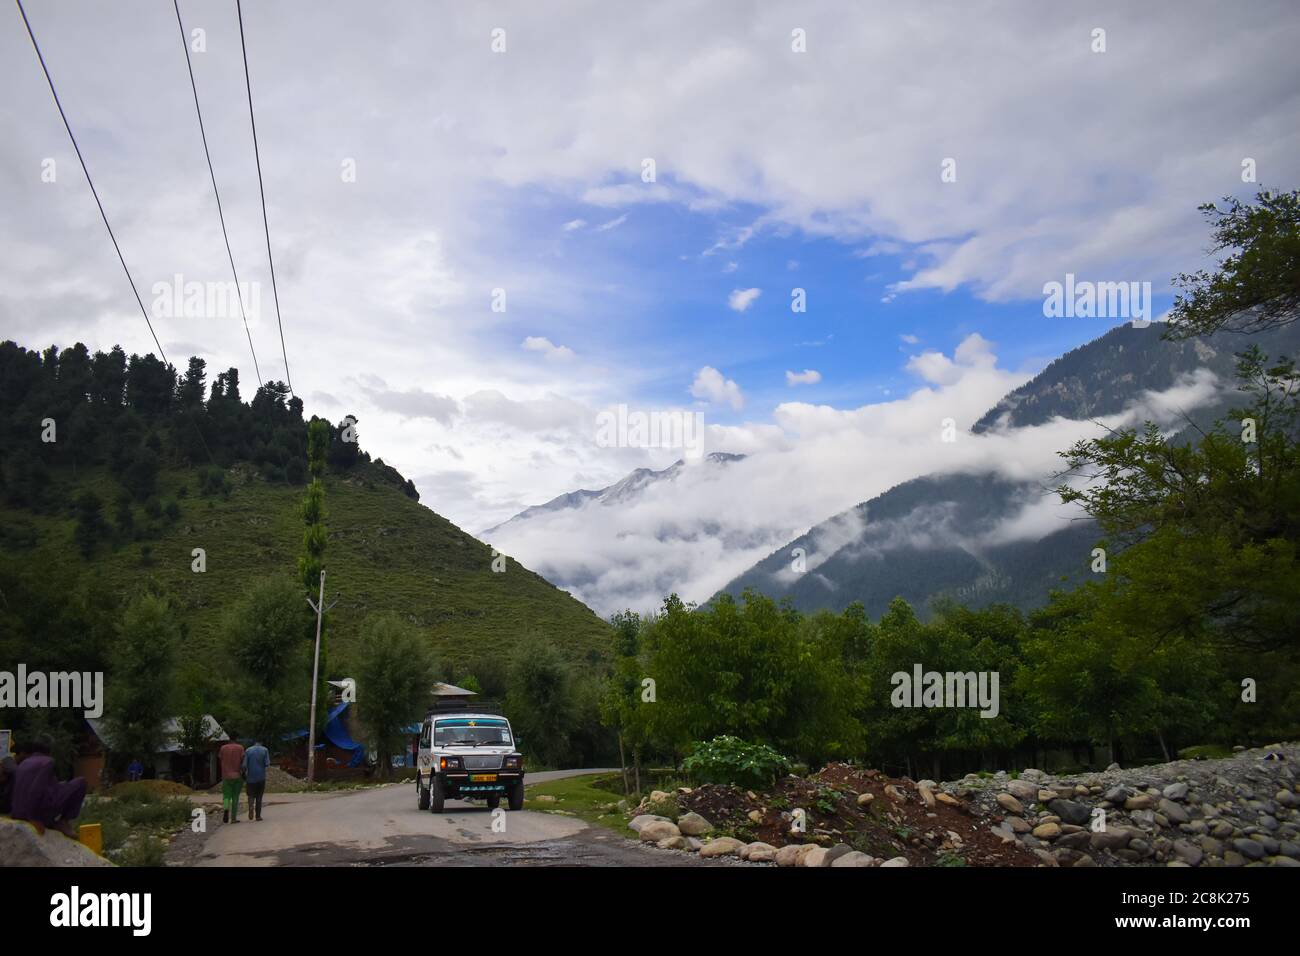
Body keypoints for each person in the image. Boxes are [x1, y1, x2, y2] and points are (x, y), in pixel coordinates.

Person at [10, 736, 87, 838]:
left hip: (18, 813)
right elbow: (36, 789)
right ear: (50, 748)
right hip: (35, 814)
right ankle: (63, 821)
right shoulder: (47, 762)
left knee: (64, 785)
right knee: (81, 782)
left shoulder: (24, 762)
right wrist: (34, 818)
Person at [218, 738, 246, 824]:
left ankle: (226, 809)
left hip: (226, 776)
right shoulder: (240, 748)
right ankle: (233, 818)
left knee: (226, 796)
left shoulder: (223, 748)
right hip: (237, 775)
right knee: (235, 797)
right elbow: (243, 761)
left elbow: (220, 759)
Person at [241, 740, 270, 821]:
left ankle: (250, 807)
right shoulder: (265, 750)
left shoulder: (248, 750)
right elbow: (267, 763)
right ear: (261, 742)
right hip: (261, 777)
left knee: (250, 795)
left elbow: (244, 765)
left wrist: (243, 774)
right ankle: (258, 816)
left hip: (250, 778)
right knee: (259, 797)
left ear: (254, 742)